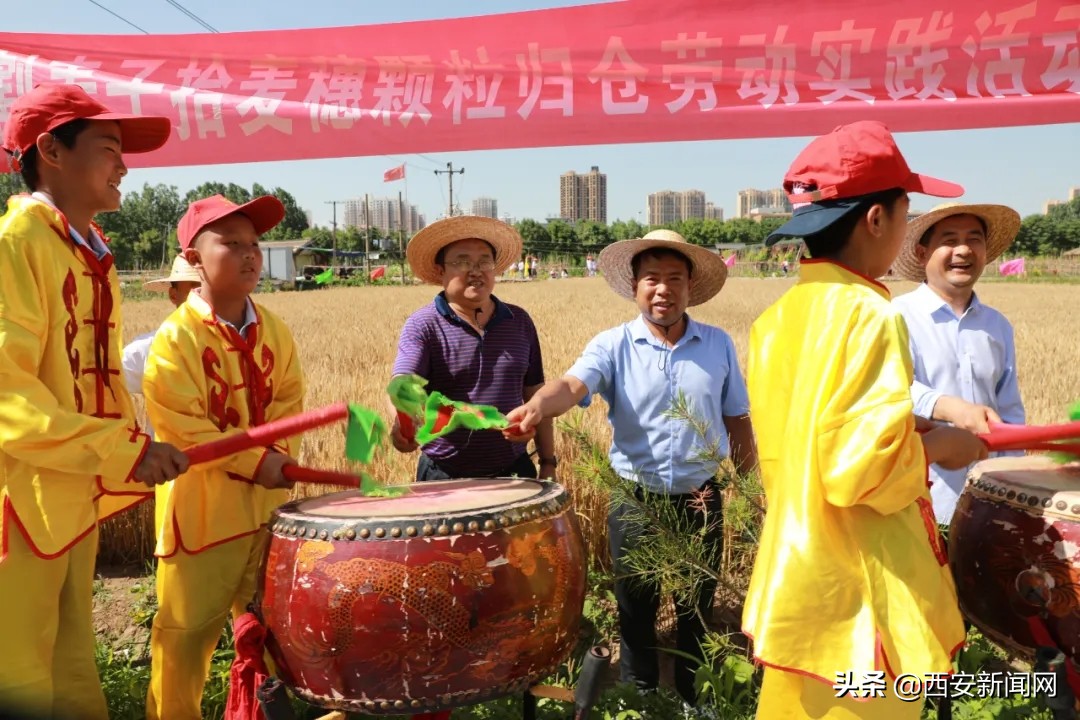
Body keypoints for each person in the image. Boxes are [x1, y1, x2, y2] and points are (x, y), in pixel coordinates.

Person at [741, 121, 990, 719]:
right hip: (859, 603)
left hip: (800, 586)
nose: (906, 231)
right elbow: (857, 472)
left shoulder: (776, 320)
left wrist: (908, 433)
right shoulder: (870, 315)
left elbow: (812, 442)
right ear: (876, 219)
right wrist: (942, 447)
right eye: (906, 215)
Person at [0, 83, 189, 719]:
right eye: (109, 148)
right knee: (17, 675)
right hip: (17, 504)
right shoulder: (16, 244)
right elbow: (7, 395)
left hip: (68, 494)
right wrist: (121, 449)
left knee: (70, 663)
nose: (125, 166)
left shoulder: (86, 254)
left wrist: (120, 452)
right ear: (51, 150)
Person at [507, 229, 758, 706]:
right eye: (652, 279)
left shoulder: (718, 344)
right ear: (635, 286)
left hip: (700, 497)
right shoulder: (612, 344)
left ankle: (691, 696)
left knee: (696, 606)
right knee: (635, 604)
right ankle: (640, 696)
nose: (663, 289)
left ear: (690, 287)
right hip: (634, 496)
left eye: (674, 279)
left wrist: (748, 489)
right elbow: (571, 385)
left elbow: (737, 419)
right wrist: (539, 406)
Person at [142, 194, 306, 720]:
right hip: (202, 522)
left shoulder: (275, 331)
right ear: (192, 258)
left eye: (254, 244)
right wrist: (262, 464)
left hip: (266, 519)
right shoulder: (174, 341)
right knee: (183, 648)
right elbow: (185, 429)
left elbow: (289, 403)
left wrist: (279, 456)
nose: (249, 255)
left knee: (273, 642)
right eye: (230, 243)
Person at [389, 215, 556, 482]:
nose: (475, 270)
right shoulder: (423, 325)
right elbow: (403, 381)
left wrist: (548, 461)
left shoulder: (519, 321)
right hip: (444, 477)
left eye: (484, 261)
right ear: (440, 270)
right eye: (462, 261)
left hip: (514, 472)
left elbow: (535, 393)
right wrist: (404, 416)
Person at [892, 203, 1026, 524]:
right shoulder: (896, 316)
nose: (963, 250)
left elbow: (1009, 413)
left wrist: (1018, 484)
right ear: (923, 253)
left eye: (974, 239)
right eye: (949, 240)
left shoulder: (997, 326)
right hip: (920, 503)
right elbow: (891, 391)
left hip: (989, 501)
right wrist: (950, 408)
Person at [122, 254, 202, 405]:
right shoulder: (147, 349)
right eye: (194, 287)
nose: (203, 295)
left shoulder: (242, 344)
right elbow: (101, 384)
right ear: (173, 295)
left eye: (209, 287)